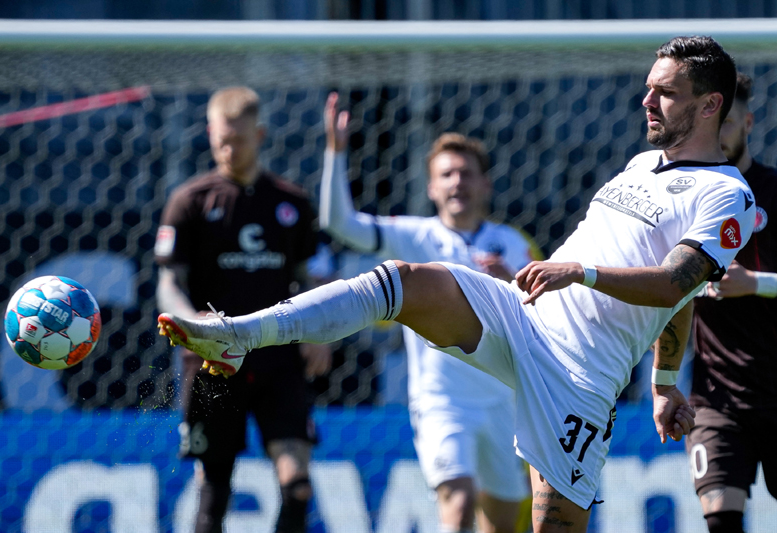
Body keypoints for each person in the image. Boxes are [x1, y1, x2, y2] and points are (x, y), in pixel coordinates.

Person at [158, 36, 755, 533]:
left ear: (710, 106)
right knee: (403, 280)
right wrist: (666, 381)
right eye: (649, 86)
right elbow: (679, 293)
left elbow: (676, 284)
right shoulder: (643, 164)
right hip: (524, 315)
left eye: (665, 91)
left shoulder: (728, 196)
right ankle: (241, 334)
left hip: (579, 378)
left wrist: (581, 273)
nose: (646, 99)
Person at [321, 94, 537, 533]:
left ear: (486, 184)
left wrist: (513, 281)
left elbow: (544, 316)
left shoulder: (514, 243)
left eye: (467, 173)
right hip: (443, 401)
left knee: (503, 522)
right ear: (431, 188)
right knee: (457, 501)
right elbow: (340, 224)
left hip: (503, 401)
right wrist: (335, 153)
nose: (457, 182)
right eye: (446, 174)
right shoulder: (414, 237)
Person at [154, 87, 330, 533]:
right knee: (214, 493)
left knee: (298, 487)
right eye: (222, 142)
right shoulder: (190, 201)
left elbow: (314, 279)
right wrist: (191, 321)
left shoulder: (292, 202)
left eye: (239, 140)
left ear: (261, 135)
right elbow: (168, 282)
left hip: (279, 358)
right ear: (209, 135)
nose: (230, 150)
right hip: (213, 360)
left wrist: (320, 332)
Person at [685, 72, 777, 533]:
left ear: (749, 123)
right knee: (721, 519)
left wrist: (754, 283)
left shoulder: (774, 191)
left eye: (728, 123)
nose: (717, 134)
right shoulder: (687, 198)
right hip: (716, 396)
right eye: (709, 123)